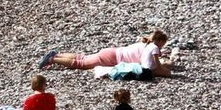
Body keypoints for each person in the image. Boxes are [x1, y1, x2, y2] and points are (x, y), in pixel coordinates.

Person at [39, 30, 173, 77]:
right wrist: (163, 70)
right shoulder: (152, 48)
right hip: (111, 58)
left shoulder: (145, 43)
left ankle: (59, 54)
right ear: (159, 41)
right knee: (80, 63)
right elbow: (147, 66)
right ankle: (53, 59)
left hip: (111, 52)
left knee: (82, 57)